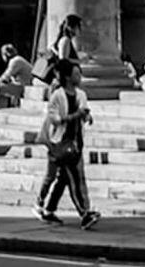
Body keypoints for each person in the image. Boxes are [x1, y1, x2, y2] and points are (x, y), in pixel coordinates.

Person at [34, 58, 100, 230]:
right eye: (76, 73)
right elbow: (55, 119)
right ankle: (85, 213)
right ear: (68, 77)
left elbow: (85, 111)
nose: (80, 76)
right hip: (60, 143)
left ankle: (49, 209)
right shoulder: (57, 95)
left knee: (63, 179)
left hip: (76, 142)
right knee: (75, 179)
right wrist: (75, 115)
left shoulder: (81, 94)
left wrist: (86, 116)